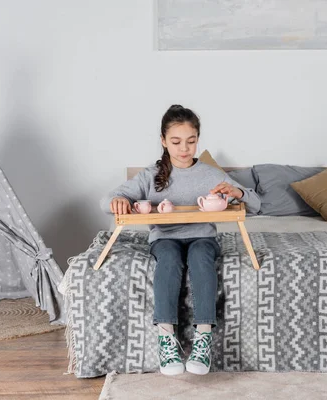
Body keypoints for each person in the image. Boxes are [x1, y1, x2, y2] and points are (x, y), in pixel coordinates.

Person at [100, 104, 261, 375]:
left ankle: (203, 337)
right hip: (165, 237)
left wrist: (237, 191)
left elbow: (255, 205)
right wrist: (118, 200)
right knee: (169, 259)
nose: (184, 148)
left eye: (191, 141)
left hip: (203, 236)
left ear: (198, 140)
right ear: (163, 141)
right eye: (175, 141)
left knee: (201, 258)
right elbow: (106, 201)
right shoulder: (150, 175)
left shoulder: (210, 173)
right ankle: (166, 338)